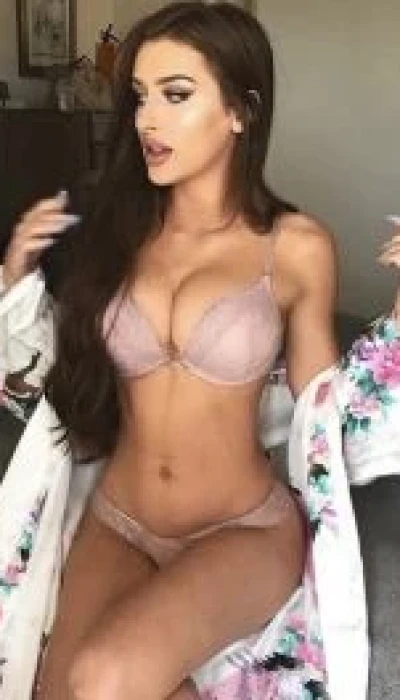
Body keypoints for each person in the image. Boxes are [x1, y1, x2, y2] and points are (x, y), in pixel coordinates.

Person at [0, 3, 398, 699]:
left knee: (105, 678)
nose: (147, 120)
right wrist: (14, 284)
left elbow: (323, 410)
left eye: (176, 94)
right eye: (140, 97)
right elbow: (52, 380)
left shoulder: (296, 247)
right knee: (52, 689)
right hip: (118, 520)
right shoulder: (115, 232)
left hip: (242, 529)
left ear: (241, 110)